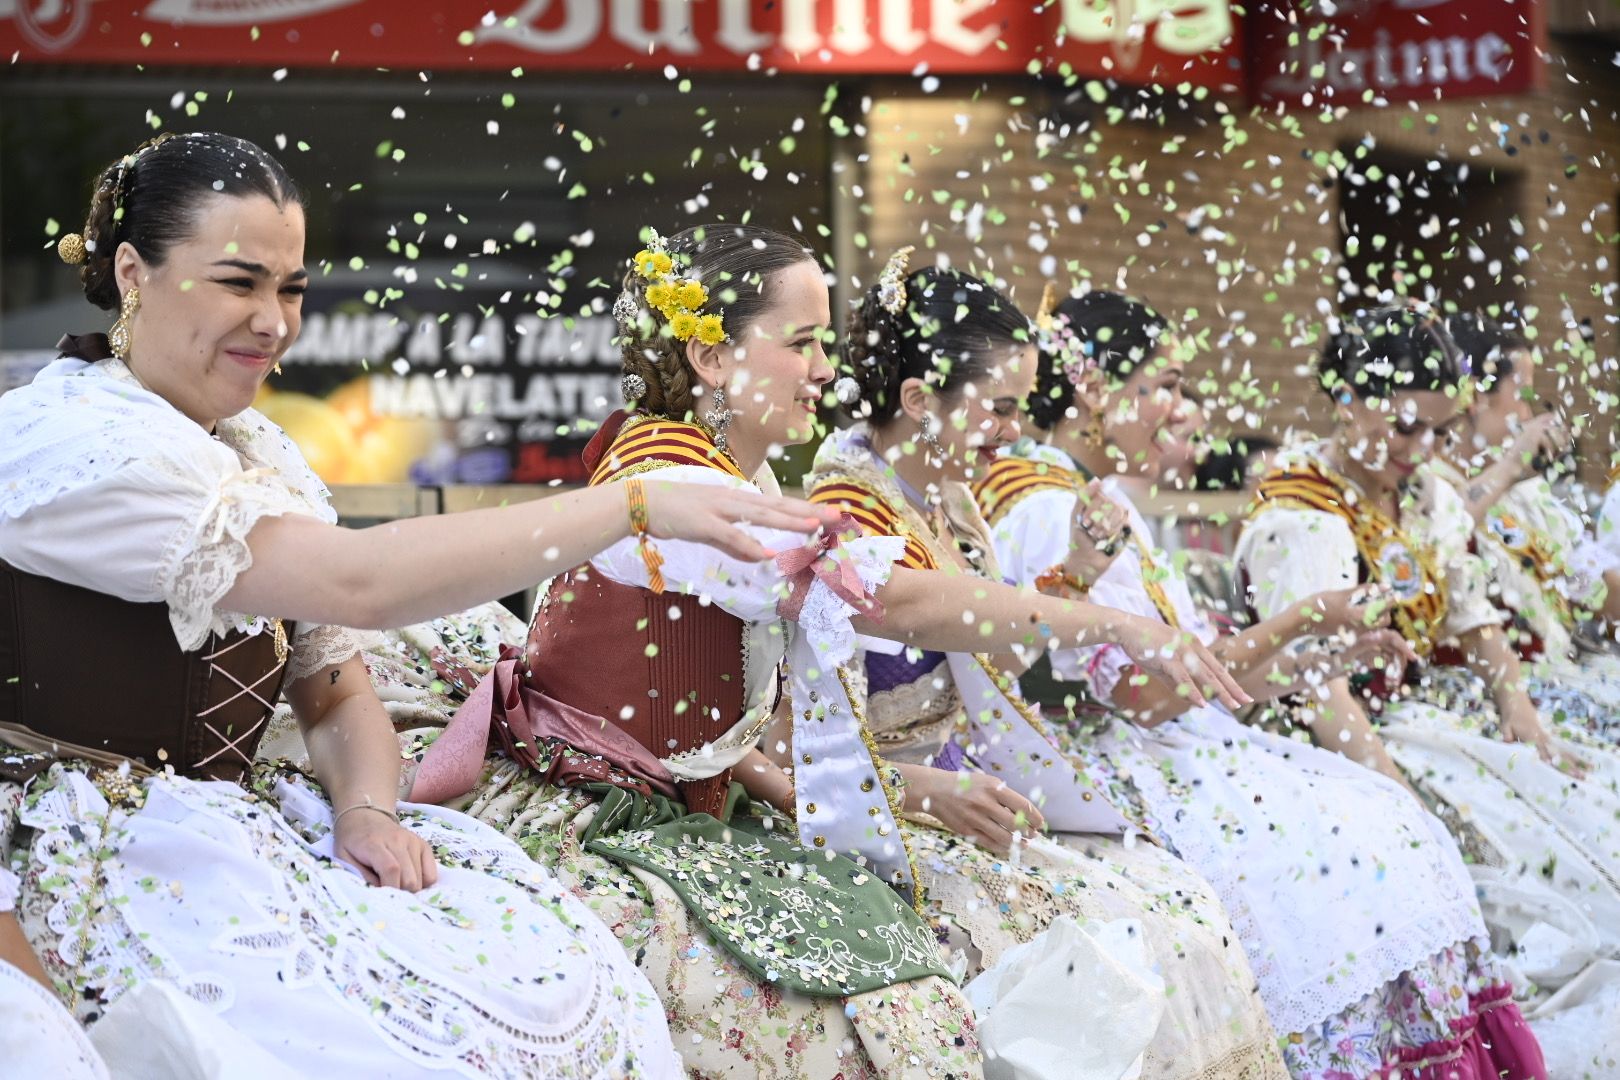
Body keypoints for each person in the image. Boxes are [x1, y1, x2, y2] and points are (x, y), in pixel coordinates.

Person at [0, 132, 844, 1078]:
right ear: (132, 272)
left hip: (234, 825)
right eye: (240, 283)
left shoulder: (256, 451)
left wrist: (364, 808)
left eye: (291, 289)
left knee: (550, 986)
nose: (274, 322)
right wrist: (625, 507)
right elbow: (355, 580)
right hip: (78, 840)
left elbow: (332, 687)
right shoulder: (71, 445)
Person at [404, 225, 1266, 1078]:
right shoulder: (679, 483)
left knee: (1020, 930)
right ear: (712, 359)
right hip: (609, 812)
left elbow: (739, 723)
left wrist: (862, 791)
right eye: (804, 343)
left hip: (711, 797)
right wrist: (1109, 622)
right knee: (895, 1006)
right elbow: (896, 604)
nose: (827, 370)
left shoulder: (743, 476)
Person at [977, 288, 1545, 1079]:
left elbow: (1192, 673)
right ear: (1098, 393)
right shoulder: (1049, 506)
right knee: (1355, 838)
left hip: (1169, 731)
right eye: (1162, 385)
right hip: (1110, 755)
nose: (1179, 407)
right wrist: (1304, 618)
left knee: (1383, 820)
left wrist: (1317, 654)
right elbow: (1140, 696)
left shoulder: (1092, 498)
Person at [805, 253, 1287, 1080]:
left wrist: (1077, 574)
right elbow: (910, 606)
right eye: (998, 408)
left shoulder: (948, 500)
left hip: (976, 787)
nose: (1016, 430)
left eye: (1022, 410)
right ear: (920, 401)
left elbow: (996, 655)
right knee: (1102, 950)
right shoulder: (842, 508)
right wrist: (1110, 619)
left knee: (1180, 910)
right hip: (881, 810)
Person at [1235, 304, 1619, 1072]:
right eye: (1408, 428)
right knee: (1500, 857)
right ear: (1350, 403)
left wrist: (1518, 706)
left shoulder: (1423, 494)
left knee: (1574, 778)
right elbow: (1319, 690)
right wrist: (1393, 794)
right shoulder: (1303, 512)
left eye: (1440, 432)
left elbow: (1473, 617)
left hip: (1435, 710)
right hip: (1339, 734)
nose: (1424, 450)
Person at [1434, 311, 1620, 743]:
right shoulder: (1424, 484)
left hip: (1564, 672)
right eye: (1520, 396)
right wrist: (1513, 460)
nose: (1528, 414)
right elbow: (1441, 532)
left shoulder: (1522, 492)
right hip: (1480, 691)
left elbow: (1590, 585)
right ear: (1474, 396)